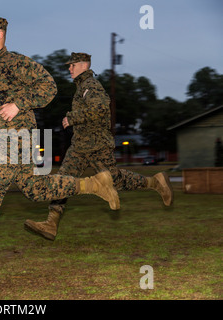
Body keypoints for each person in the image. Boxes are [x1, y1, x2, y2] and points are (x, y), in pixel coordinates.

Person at [0, 15, 120, 276]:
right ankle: (95, 184)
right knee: (35, 189)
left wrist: (19, 103)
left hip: (19, 135)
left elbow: (48, 86)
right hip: (0, 137)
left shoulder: (16, 62)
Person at [24, 52, 174, 241]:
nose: (69, 69)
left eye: (73, 65)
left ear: (84, 66)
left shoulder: (91, 86)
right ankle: (51, 223)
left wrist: (72, 118)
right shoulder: (81, 88)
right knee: (63, 180)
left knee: (116, 181)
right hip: (79, 147)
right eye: (69, 66)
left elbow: (100, 108)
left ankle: (155, 182)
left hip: (97, 146)